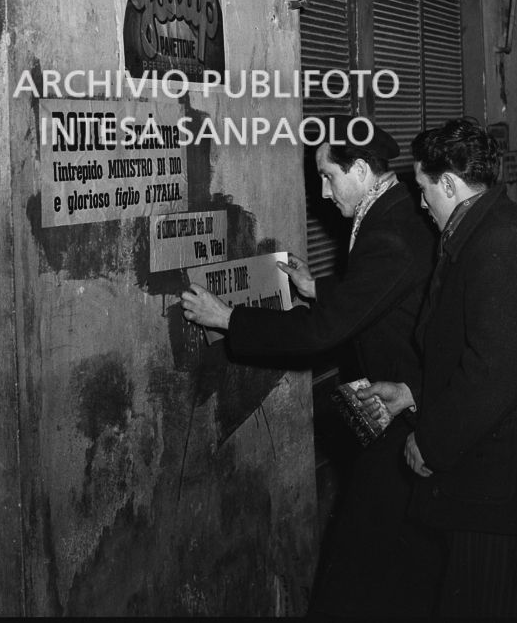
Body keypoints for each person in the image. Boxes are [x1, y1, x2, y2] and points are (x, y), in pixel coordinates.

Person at [180, 115, 437, 617]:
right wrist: (320, 288)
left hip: (402, 412)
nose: (321, 192)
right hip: (398, 404)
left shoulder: (390, 232)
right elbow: (381, 294)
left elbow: (323, 332)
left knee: (358, 561)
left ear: (361, 170)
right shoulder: (394, 211)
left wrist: (230, 319)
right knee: (384, 556)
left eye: (328, 176)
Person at [358, 118, 517, 618]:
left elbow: (492, 376)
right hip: (501, 481)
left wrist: (432, 442)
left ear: (448, 183)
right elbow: (475, 354)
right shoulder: (483, 232)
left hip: (508, 489)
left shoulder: (501, 244)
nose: (421, 205)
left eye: (424, 190)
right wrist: (412, 392)